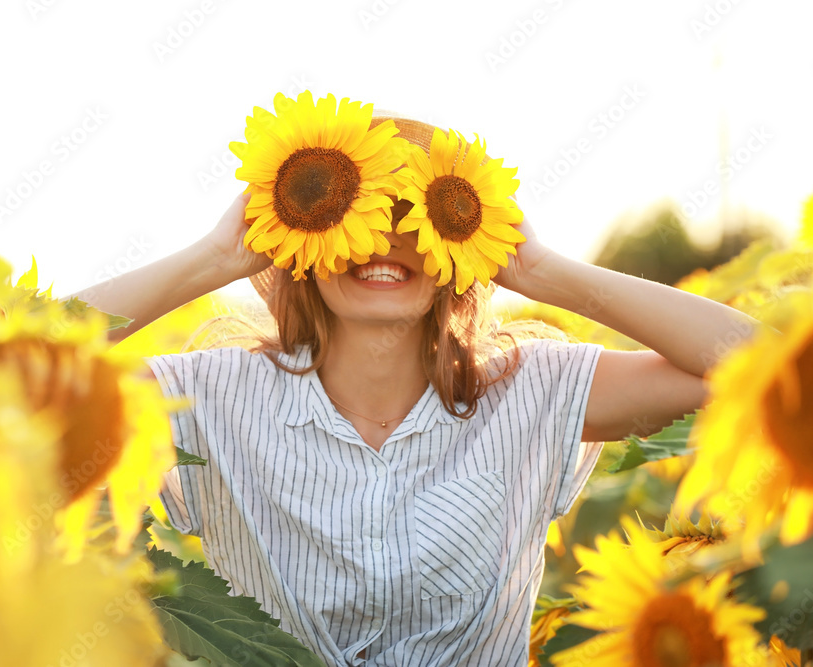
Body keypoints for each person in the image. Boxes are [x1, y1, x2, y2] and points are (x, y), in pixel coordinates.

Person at [68, 116, 761, 666]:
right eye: (353, 214)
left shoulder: (532, 390)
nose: (386, 239)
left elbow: (759, 364)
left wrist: (541, 269)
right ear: (299, 238)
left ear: (457, 243)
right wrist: (214, 258)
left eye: (415, 213)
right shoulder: (206, 399)